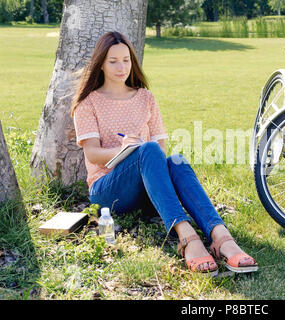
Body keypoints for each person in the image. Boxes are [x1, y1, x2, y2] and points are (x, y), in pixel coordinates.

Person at [70, 31, 258, 275]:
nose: (121, 67)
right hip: (108, 190)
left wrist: (142, 153)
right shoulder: (88, 103)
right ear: (101, 64)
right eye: (113, 61)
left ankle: (221, 237)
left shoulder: (146, 98)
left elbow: (160, 151)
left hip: (149, 190)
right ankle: (187, 237)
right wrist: (125, 150)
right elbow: (93, 154)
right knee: (147, 148)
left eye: (126, 60)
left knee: (176, 160)